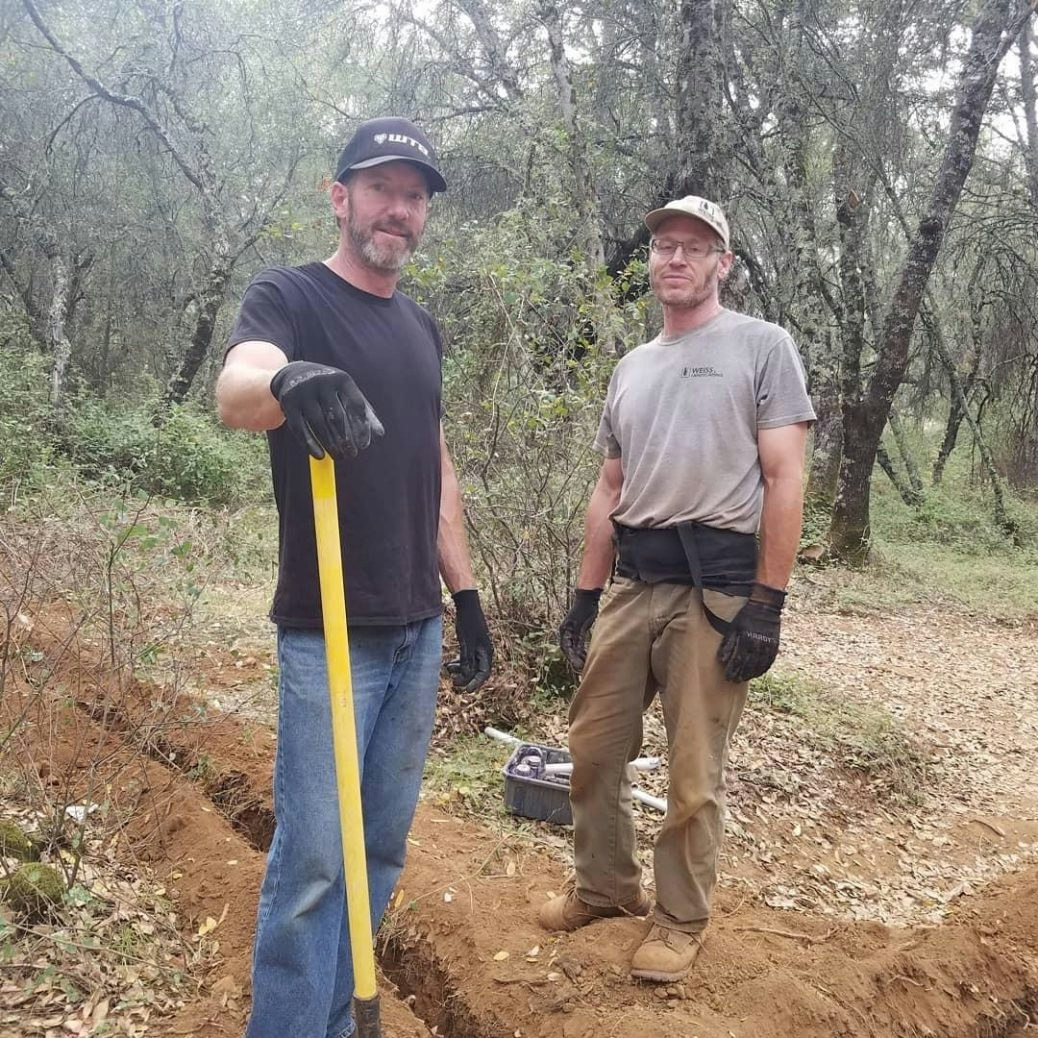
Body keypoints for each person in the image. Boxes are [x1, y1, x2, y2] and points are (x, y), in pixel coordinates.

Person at [216, 116, 493, 1038]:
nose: (398, 210)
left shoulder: (421, 327)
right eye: (381, 189)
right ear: (340, 198)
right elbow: (237, 389)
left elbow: (434, 466)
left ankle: (339, 1021)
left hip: (416, 630)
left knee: (377, 852)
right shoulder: (290, 296)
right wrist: (287, 380)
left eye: (414, 196)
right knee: (312, 866)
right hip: (327, 632)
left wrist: (465, 596)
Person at [540, 195, 815, 983]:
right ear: (651, 259)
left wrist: (767, 604)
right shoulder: (632, 366)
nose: (677, 258)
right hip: (634, 583)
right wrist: (585, 598)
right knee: (593, 748)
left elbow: (785, 477)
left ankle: (680, 917)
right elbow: (610, 488)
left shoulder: (762, 346)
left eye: (695, 247)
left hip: (714, 589)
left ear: (722, 263)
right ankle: (605, 888)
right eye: (665, 245)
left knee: (693, 772)